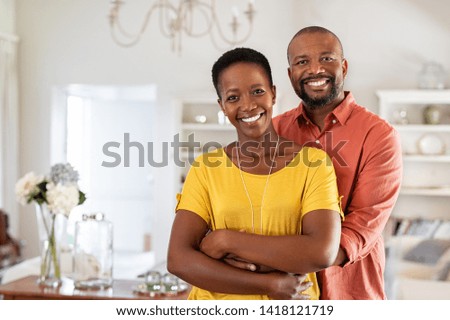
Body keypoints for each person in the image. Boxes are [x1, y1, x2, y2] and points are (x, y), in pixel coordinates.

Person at [167, 47, 343, 300]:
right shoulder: (206, 168)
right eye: (233, 97)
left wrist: (225, 241)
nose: (247, 105)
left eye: (258, 91)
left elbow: (320, 253)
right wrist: (271, 284)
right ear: (222, 106)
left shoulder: (314, 164)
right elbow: (179, 260)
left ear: (273, 93)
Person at [272, 26, 403, 299]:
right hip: (280, 295)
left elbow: (362, 227)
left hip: (350, 293)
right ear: (290, 74)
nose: (315, 69)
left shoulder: (379, 135)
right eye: (302, 62)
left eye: (327, 58)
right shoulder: (274, 132)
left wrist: (286, 259)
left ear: (343, 67)